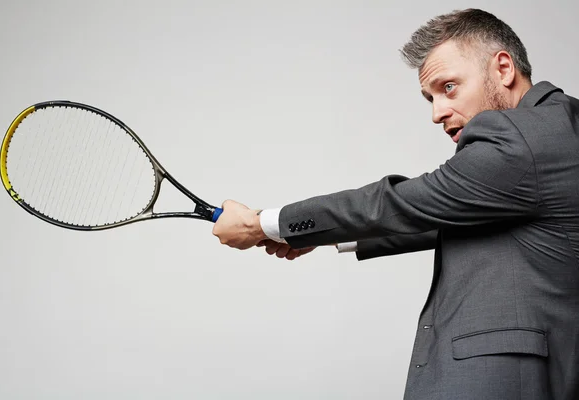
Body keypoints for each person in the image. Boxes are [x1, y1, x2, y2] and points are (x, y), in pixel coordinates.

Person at [212, 8, 579, 400]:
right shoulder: (561, 125)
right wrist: (327, 236)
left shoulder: (520, 138)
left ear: (503, 68)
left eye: (449, 87)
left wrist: (266, 224)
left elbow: (400, 204)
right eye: (430, 97)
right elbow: (465, 215)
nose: (437, 113)